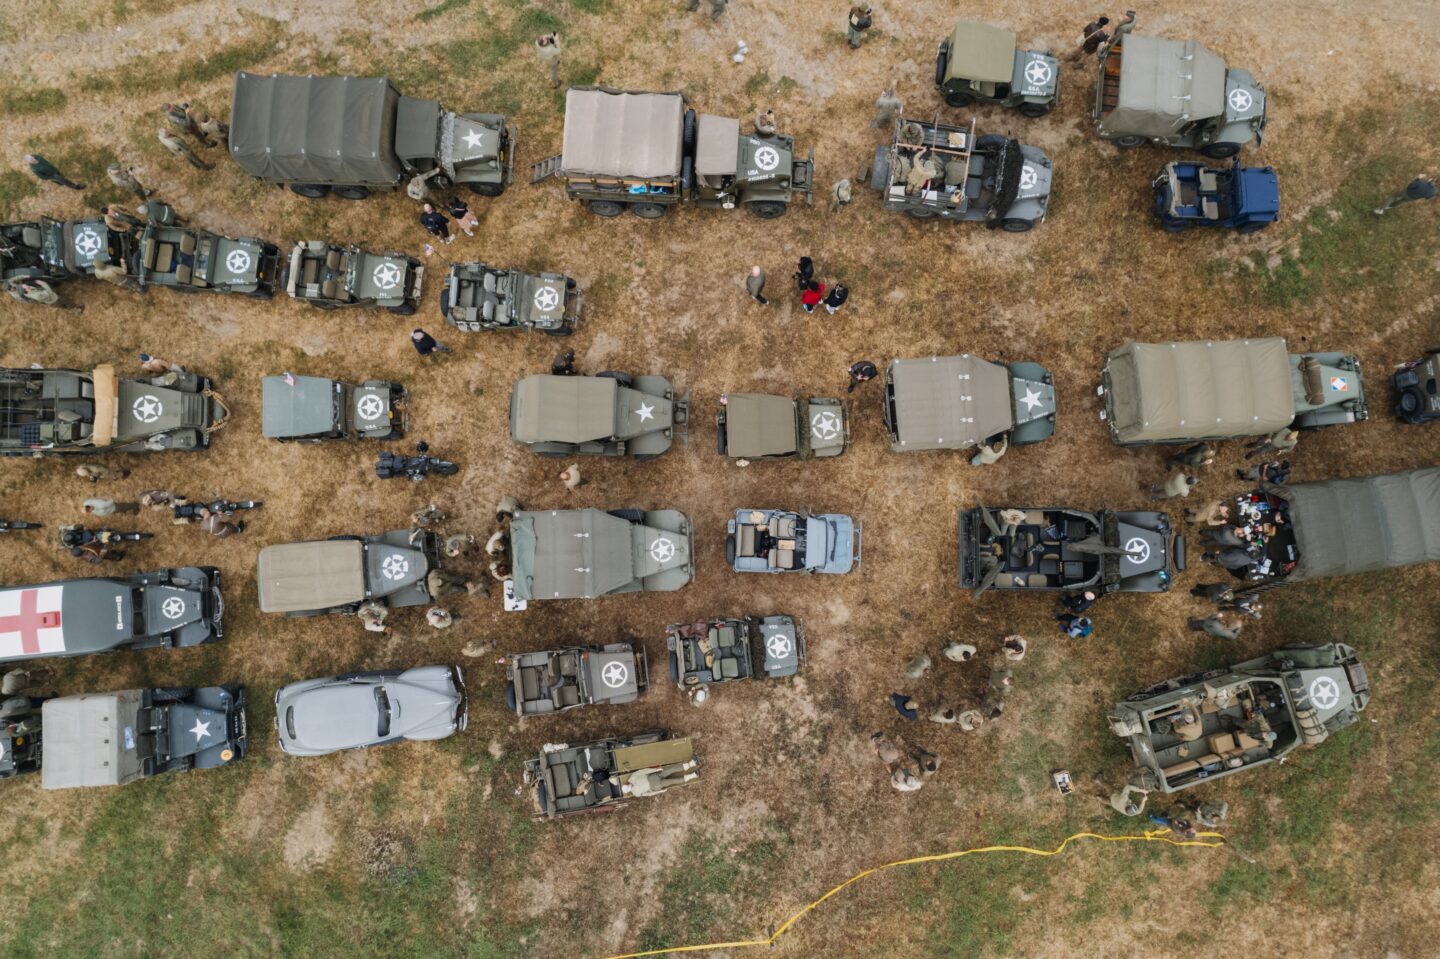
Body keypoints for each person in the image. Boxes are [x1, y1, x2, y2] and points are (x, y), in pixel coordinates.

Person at [625, 760, 700, 796]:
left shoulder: (633, 777)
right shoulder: (636, 793)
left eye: (628, 786)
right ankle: (694, 775)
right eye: (629, 788)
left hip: (654, 776)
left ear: (627, 783)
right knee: (673, 781)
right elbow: (648, 794)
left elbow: (643, 771)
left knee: (672, 769)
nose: (630, 786)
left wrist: (655, 769)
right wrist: (660, 791)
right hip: (656, 786)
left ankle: (692, 763)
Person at [4, 277, 81, 312]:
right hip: (54, 299)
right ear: (25, 291)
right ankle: (77, 309)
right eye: (26, 287)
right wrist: (43, 284)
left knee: (63, 306)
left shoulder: (26, 291)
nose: (27, 285)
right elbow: (49, 293)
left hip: (49, 301)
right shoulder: (36, 295)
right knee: (67, 301)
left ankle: (72, 310)